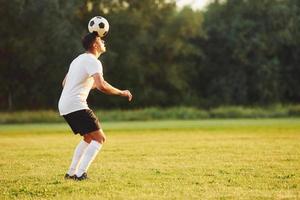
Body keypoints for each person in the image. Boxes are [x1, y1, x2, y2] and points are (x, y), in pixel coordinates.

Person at [58, 32, 132, 181]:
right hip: (76, 104)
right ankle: (80, 174)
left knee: (88, 138)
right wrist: (121, 92)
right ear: (94, 44)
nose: (103, 41)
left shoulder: (78, 59)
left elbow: (65, 83)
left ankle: (71, 173)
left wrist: (85, 85)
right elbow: (102, 86)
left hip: (64, 105)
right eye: (100, 40)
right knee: (99, 138)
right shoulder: (93, 61)